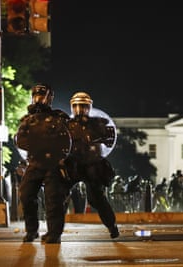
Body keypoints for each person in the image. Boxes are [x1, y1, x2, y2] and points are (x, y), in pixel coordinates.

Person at [15, 83, 72, 243]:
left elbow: (68, 139)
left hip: (54, 163)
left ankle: (54, 234)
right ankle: (32, 231)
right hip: (35, 162)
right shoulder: (28, 120)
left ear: (49, 98)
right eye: (36, 96)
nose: (38, 99)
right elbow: (20, 140)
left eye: (42, 96)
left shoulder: (58, 117)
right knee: (26, 194)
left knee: (53, 199)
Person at [64, 91, 119, 239]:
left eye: (83, 106)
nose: (80, 110)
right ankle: (55, 230)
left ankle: (112, 225)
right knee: (59, 194)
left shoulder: (98, 123)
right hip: (73, 163)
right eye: (77, 106)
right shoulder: (67, 125)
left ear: (89, 107)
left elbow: (108, 139)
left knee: (97, 198)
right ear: (72, 107)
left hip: (92, 164)